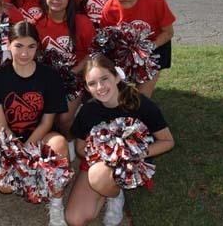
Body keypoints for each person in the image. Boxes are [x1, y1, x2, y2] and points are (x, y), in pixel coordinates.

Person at [65, 54, 174, 226]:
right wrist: (104, 153)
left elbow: (167, 141)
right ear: (87, 87)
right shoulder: (89, 110)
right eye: (92, 83)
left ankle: (115, 196)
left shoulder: (139, 103)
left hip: (133, 161)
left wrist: (132, 153)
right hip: (100, 162)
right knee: (74, 219)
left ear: (116, 77)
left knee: (97, 176)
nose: (100, 87)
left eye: (104, 79)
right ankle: (108, 189)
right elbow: (80, 147)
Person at [0, 20, 70, 226]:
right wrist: (16, 154)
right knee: (5, 186)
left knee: (59, 145)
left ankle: (56, 205)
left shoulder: (49, 76)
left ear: (38, 47)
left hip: (41, 136)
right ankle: (31, 175)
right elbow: (1, 126)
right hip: (10, 141)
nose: (25, 53)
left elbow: (46, 122)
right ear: (8, 44)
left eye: (31, 46)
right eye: (19, 46)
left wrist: (26, 150)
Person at [34, 0, 96, 150]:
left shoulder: (82, 22)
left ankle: (70, 141)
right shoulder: (37, 23)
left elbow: (93, 52)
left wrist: (73, 71)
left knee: (64, 117)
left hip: (75, 78)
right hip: (47, 79)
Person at [101, 0, 175, 98]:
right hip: (123, 53)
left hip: (154, 48)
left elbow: (168, 32)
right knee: (118, 96)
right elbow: (108, 43)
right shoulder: (109, 9)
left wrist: (145, 49)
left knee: (141, 99)